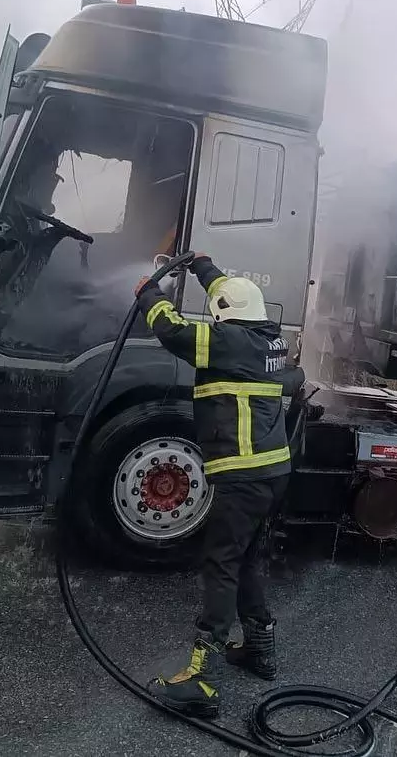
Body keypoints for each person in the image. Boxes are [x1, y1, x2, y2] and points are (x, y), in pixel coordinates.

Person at [134, 254, 303, 718]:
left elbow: (174, 332)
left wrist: (150, 292)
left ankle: (201, 678)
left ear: (227, 317)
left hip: (244, 475)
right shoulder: (269, 338)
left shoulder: (228, 341)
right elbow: (229, 290)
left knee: (221, 562)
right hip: (273, 472)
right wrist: (203, 267)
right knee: (246, 558)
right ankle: (260, 650)